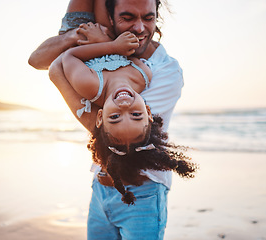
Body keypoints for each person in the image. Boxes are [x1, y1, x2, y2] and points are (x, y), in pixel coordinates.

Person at [29, 0, 187, 238]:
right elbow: (37, 60)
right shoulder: (119, 53)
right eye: (128, 18)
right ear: (110, 19)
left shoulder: (167, 71)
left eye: (148, 18)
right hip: (101, 184)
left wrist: (105, 45)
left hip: (145, 192)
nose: (140, 28)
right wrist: (82, 37)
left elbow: (105, 126)